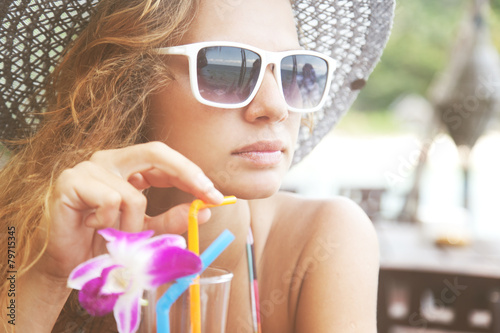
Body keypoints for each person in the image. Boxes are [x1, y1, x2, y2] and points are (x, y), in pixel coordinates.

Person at [0, 0, 394, 332]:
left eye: (294, 70)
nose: (275, 106)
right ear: (128, 85)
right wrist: (47, 276)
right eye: (227, 68)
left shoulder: (322, 242)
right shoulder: (22, 223)